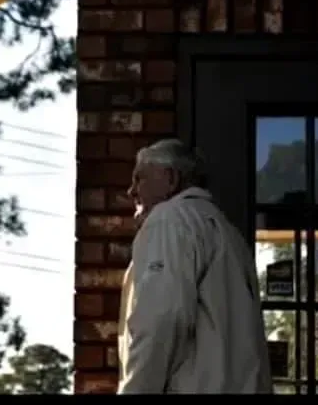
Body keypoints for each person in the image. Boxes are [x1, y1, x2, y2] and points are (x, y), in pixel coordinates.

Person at [117, 139, 272, 394]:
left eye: (140, 179)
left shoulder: (169, 219)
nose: (131, 191)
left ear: (170, 179)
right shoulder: (226, 231)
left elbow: (161, 319)